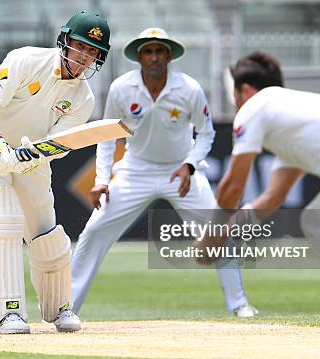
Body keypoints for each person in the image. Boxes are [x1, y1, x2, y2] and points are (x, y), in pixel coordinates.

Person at [196, 51, 320, 353]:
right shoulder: (291, 117)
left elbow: (232, 185)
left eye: (236, 97)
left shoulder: (256, 106)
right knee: (319, 220)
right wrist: (225, 234)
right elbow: (271, 199)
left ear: (246, 90)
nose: (237, 106)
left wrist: (211, 237)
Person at [70, 28, 257, 317]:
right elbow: (108, 137)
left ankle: (239, 303)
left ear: (168, 55)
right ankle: (67, 307)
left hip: (181, 172)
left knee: (218, 230)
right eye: (148, 51)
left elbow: (206, 134)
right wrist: (101, 180)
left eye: (159, 51)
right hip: (135, 171)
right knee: (93, 231)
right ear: (139, 56)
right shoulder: (121, 89)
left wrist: (190, 165)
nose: (154, 57)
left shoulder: (189, 89)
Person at [0, 11, 111, 334]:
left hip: (30, 155)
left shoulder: (83, 98)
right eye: (80, 47)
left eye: (93, 53)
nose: (84, 58)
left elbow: (58, 144)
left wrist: (26, 156)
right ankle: (6, 312)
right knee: (3, 217)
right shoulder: (25, 60)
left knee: (46, 230)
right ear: (65, 42)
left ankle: (58, 308)